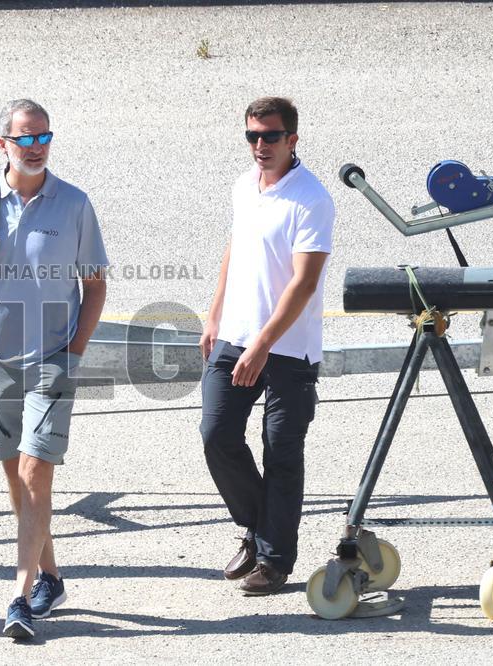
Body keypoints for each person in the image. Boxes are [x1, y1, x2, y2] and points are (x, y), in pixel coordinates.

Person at [0, 99, 108, 639]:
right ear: (3, 145)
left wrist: (74, 353)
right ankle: (51, 576)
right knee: (17, 475)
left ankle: (19, 597)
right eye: (25, 139)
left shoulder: (74, 203)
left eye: (43, 137)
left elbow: (95, 282)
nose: (36, 147)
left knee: (38, 471)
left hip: (51, 359)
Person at [199, 97, 335, 595]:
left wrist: (262, 346)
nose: (260, 145)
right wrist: (214, 314)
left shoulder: (312, 199)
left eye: (270, 136)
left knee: (281, 452)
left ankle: (274, 561)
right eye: (253, 136)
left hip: (288, 349)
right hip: (235, 337)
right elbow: (235, 249)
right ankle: (258, 531)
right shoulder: (244, 185)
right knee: (216, 434)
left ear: (292, 140)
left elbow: (303, 284)